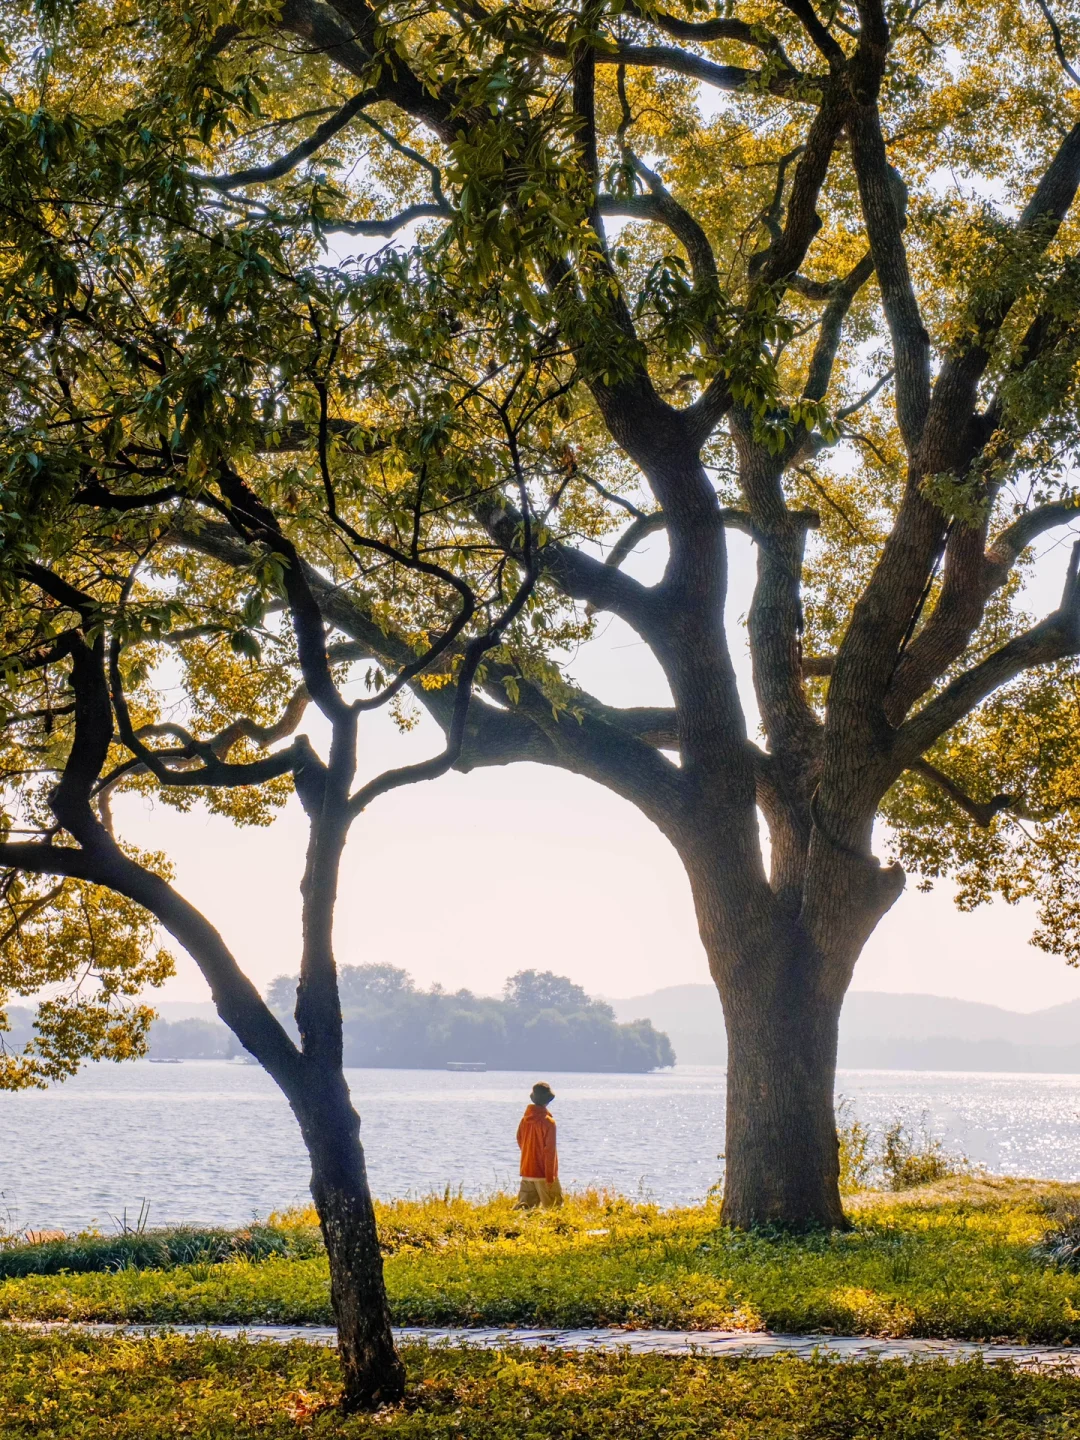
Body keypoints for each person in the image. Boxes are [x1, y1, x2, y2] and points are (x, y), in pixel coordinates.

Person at [515, 1081, 562, 1208]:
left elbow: (520, 1139)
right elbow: (549, 1151)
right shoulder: (549, 1122)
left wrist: (529, 1156)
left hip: (527, 1170)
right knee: (554, 1209)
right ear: (548, 1100)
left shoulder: (524, 1120)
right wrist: (550, 1177)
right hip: (543, 1173)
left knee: (524, 1210)